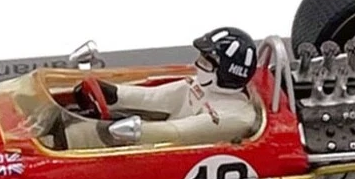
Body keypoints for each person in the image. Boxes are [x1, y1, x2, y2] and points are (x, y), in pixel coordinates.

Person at [64, 27, 260, 149]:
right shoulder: (205, 85)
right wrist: (115, 94)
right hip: (160, 142)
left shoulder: (235, 117)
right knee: (79, 124)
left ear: (226, 72)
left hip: (166, 150)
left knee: (81, 134)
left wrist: (136, 130)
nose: (197, 65)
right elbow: (155, 97)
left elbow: (176, 132)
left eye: (205, 62)